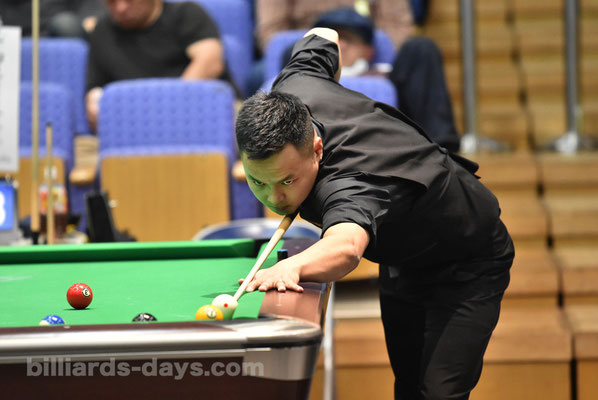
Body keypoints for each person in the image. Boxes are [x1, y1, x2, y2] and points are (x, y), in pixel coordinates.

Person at [235, 28, 514, 399]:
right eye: (258, 181)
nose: (275, 197)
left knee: (439, 393)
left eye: (287, 180)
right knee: (408, 388)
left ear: (317, 148)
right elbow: (323, 34)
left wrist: (292, 267)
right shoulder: (295, 87)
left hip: (468, 258)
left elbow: (346, 247)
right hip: (404, 257)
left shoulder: (352, 183)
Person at [313, 6, 460, 152]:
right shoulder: (304, 72)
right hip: (317, 144)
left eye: (349, 39)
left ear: (369, 50)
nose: (341, 45)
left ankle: (442, 152)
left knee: (422, 48)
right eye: (332, 39)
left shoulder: (384, 75)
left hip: (393, 138)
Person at [85, 0, 233, 131]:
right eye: (111, 2)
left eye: (130, 0)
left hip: (201, 111)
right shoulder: (102, 30)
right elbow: (96, 87)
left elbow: (210, 63)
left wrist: (166, 109)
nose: (121, 8)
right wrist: (96, 104)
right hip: (135, 125)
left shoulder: (186, 13)